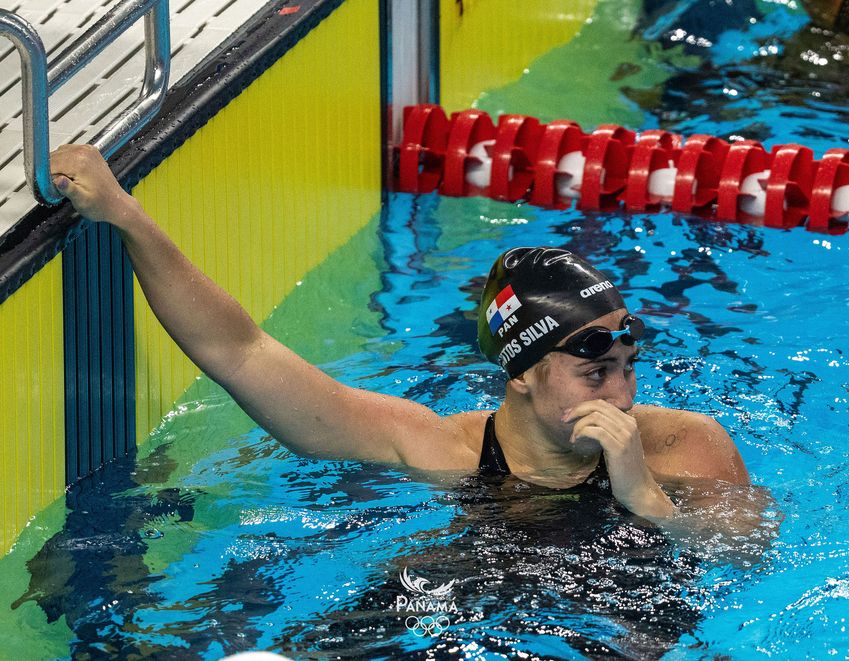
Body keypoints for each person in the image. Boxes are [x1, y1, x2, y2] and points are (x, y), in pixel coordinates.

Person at [49, 144, 749, 526]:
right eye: (595, 373)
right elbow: (239, 351)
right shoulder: (438, 449)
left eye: (628, 365)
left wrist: (647, 498)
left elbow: (749, 559)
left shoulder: (685, 446)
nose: (622, 395)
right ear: (521, 373)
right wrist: (127, 217)